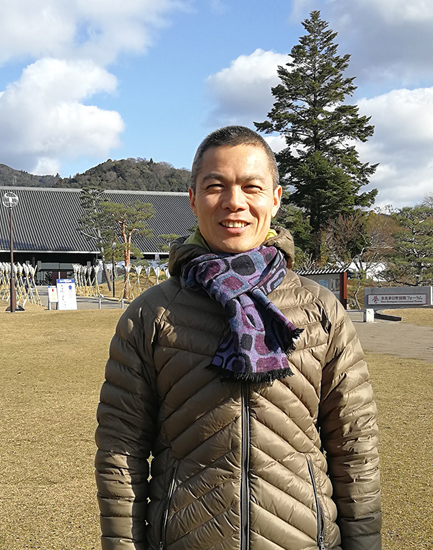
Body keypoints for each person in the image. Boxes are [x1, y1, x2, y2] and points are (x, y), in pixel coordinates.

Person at [95, 126, 381, 550]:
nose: (234, 202)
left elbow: (354, 443)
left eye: (252, 187)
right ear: (193, 199)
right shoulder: (151, 315)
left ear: (275, 199)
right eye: (216, 186)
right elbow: (121, 450)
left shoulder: (320, 310)